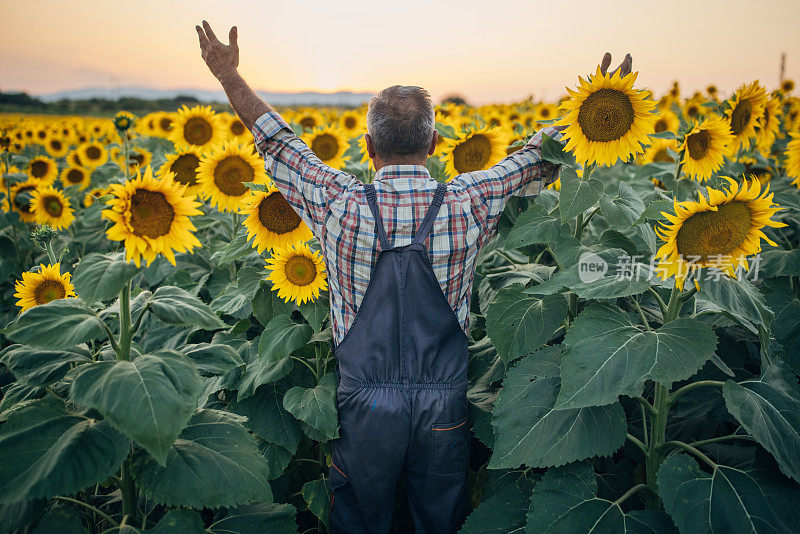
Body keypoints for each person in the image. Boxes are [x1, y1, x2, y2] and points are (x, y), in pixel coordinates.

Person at [196, 20, 632, 534]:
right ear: (435, 142)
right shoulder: (467, 200)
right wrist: (600, 106)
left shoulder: (340, 202)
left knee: (359, 517)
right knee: (438, 519)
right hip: (442, 405)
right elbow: (534, 161)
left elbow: (278, 143)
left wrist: (230, 77)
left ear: (367, 145)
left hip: (364, 406)